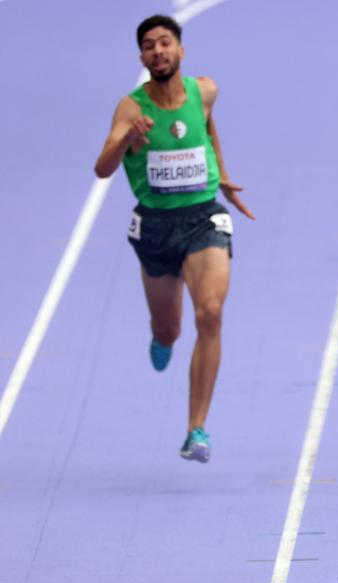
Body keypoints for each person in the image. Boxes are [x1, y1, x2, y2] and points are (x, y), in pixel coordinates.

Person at [93, 14, 254, 462]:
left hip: (203, 217)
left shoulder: (205, 90)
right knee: (170, 326)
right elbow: (102, 169)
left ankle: (196, 429)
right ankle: (162, 338)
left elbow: (208, 123)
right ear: (142, 57)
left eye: (165, 42)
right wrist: (125, 138)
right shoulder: (130, 108)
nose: (158, 51)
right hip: (156, 227)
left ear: (180, 50)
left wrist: (220, 176)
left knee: (211, 312)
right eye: (149, 45)